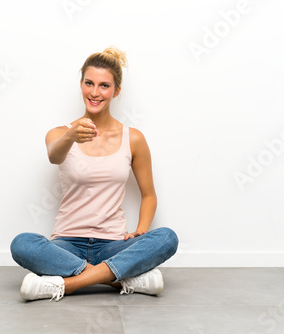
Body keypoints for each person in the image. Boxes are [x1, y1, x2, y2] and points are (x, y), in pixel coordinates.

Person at [10, 46, 179, 302]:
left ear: (116, 91)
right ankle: (121, 279)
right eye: (89, 83)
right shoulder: (60, 134)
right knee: (22, 244)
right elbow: (54, 156)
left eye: (104, 86)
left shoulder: (133, 139)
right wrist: (70, 136)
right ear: (81, 84)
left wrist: (141, 230)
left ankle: (66, 285)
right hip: (67, 244)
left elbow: (148, 195)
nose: (95, 92)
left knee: (167, 238)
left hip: (113, 243)